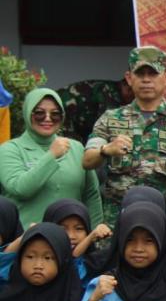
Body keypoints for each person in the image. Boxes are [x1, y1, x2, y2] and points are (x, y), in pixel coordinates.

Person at [83, 46, 166, 241]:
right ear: (129, 78)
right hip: (118, 228)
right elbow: (87, 160)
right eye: (140, 73)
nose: (146, 80)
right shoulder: (110, 119)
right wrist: (105, 150)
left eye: (153, 74)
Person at [0, 87, 103, 227]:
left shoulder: (76, 148)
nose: (48, 118)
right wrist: (51, 156)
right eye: (39, 113)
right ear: (27, 114)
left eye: (55, 114)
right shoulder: (9, 149)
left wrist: (93, 235)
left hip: (72, 242)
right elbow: (20, 189)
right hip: (27, 242)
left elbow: (91, 195)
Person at [42, 198, 113, 286]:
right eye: (63, 229)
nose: (71, 236)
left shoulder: (97, 267)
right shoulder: (39, 267)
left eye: (79, 229)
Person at [57, 77, 134, 144]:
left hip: (76, 123)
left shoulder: (111, 90)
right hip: (59, 115)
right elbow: (109, 132)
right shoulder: (108, 94)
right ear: (129, 89)